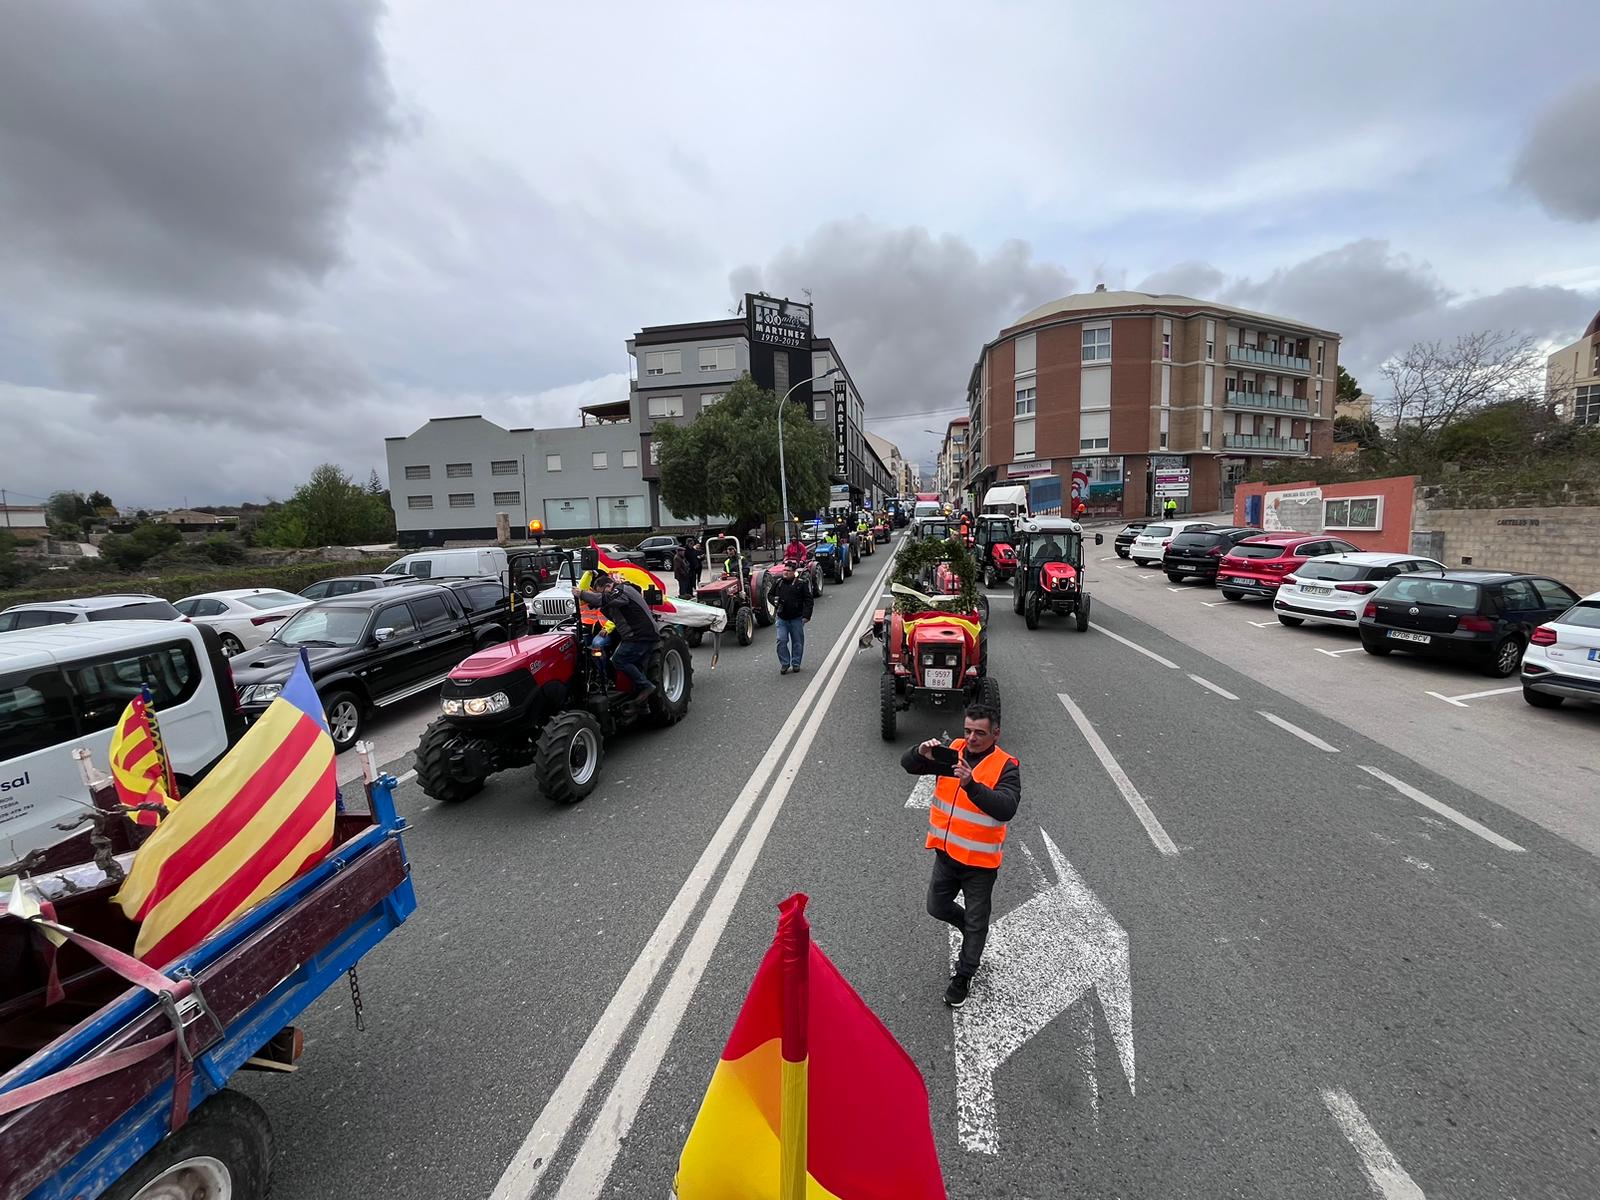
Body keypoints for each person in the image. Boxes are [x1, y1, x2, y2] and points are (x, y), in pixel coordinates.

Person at [901, 704, 1020, 1008]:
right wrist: (920, 753)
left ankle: (964, 974)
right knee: (937, 907)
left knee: (978, 921)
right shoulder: (954, 751)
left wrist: (971, 785)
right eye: (967, 731)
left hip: (979, 865)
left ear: (996, 733)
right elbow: (909, 765)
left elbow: (1006, 807)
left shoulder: (1006, 766)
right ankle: (972, 929)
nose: (971, 738)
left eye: (979, 733)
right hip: (947, 854)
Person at [577, 572, 658, 705]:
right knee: (636, 666)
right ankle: (641, 704)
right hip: (638, 634)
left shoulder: (621, 590)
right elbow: (602, 603)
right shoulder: (618, 595)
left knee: (618, 660)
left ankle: (645, 686)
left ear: (609, 586)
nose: (603, 595)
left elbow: (606, 599)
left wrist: (582, 593)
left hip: (639, 635)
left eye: (602, 592)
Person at [770, 561, 814, 675]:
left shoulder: (801, 584)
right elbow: (770, 595)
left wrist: (806, 616)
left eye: (788, 571)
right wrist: (775, 601)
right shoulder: (778, 583)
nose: (785, 572)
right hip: (782, 619)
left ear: (794, 572)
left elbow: (809, 600)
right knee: (781, 640)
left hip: (796, 619)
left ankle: (796, 663)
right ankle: (785, 663)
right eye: (784, 570)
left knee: (797, 642)